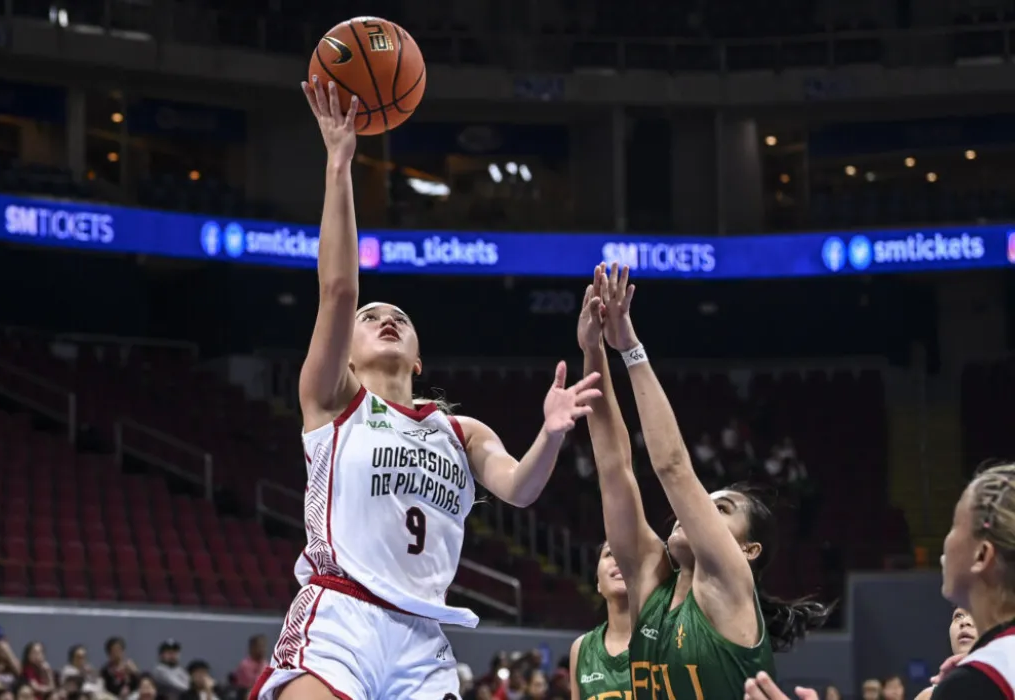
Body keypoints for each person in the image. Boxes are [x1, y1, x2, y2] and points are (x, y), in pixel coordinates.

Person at [248, 77, 601, 700]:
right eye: (371, 318)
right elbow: (338, 290)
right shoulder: (332, 401)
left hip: (422, 641)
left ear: (417, 359)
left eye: (399, 319)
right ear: (349, 356)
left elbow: (520, 489)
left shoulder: (460, 432)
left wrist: (548, 436)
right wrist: (339, 163)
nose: (385, 319)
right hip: (339, 618)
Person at [580, 263, 831, 700]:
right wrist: (593, 350)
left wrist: (631, 349)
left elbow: (673, 468)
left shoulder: (730, 584)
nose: (690, 512)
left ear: (747, 550)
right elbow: (614, 468)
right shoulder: (648, 585)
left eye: (720, 509)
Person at [743, 462, 1015, 700]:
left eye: (955, 526)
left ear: (982, 555)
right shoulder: (981, 672)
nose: (946, 541)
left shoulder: (976, 682)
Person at [569, 542, 632, 700]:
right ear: (598, 583)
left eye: (627, 552)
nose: (618, 559)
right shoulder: (581, 648)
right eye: (609, 554)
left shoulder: (665, 638)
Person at [912, 607, 979, 700]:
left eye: (976, 614)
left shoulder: (1004, 685)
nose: (964, 622)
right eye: (958, 615)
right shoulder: (929, 697)